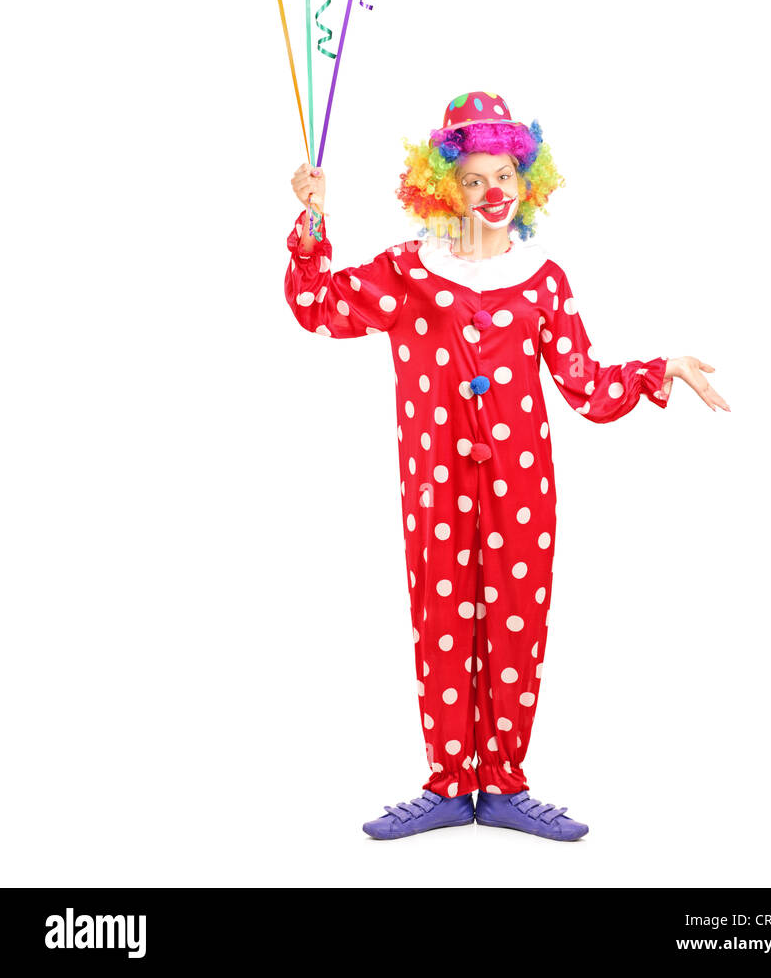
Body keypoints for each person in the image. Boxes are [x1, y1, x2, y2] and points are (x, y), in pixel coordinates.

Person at [286, 91, 729, 841]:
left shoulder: (543, 280)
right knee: (441, 623)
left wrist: (663, 367)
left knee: (517, 626)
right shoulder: (407, 272)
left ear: (529, 181)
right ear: (442, 186)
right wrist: (313, 220)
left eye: (505, 177)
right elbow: (317, 305)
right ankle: (449, 784)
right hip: (435, 489)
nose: (493, 193)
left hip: (522, 491)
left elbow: (584, 384)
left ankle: (504, 785)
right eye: (474, 179)